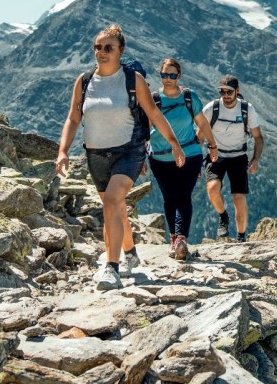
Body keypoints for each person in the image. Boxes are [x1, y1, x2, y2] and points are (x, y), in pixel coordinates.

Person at [55, 24, 184, 290]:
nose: (101, 52)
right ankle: (130, 252)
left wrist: (174, 143)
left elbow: (154, 114)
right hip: (95, 154)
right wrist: (63, 151)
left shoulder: (132, 79)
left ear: (120, 50)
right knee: (116, 208)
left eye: (108, 48)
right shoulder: (84, 81)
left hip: (129, 150)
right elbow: (73, 117)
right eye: (98, 47)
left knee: (112, 202)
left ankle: (111, 268)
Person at [147, 58, 219, 261]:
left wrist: (212, 146)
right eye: (164, 75)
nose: (167, 79)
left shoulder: (189, 97)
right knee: (169, 198)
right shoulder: (153, 100)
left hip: (190, 154)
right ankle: (173, 238)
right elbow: (144, 129)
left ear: (179, 76)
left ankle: (181, 239)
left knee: (183, 195)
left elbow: (202, 123)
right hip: (160, 157)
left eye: (172, 75)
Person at [202, 75, 263, 241]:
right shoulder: (211, 109)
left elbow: (258, 137)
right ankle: (223, 216)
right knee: (212, 188)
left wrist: (255, 159)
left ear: (237, 91)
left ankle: (241, 236)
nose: (226, 95)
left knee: (239, 198)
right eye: (222, 92)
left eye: (229, 92)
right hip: (216, 154)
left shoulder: (246, 109)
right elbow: (199, 136)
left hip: (238, 157)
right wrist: (193, 163)